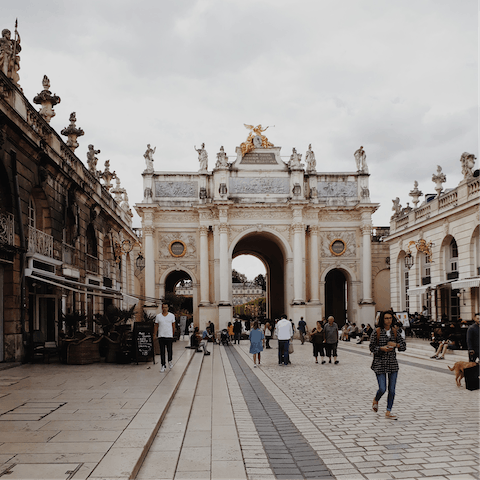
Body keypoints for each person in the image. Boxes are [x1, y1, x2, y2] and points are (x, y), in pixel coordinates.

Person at [370, 311, 407, 420]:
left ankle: (388, 411)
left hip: (392, 364)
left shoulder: (395, 332)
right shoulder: (376, 332)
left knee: (392, 390)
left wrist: (396, 345)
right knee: (382, 388)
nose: (388, 320)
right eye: (386, 318)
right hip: (379, 364)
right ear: (382, 319)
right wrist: (381, 348)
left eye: (390, 318)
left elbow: (404, 347)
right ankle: (376, 399)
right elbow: (371, 347)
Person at [154, 303, 176, 373]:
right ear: (162, 308)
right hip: (161, 335)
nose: (164, 309)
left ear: (168, 308)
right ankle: (163, 365)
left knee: (170, 350)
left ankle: (170, 361)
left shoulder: (171, 316)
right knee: (162, 351)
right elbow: (156, 325)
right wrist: (155, 334)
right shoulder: (158, 316)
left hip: (169, 335)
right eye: (163, 307)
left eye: (166, 307)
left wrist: (172, 334)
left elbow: (173, 325)